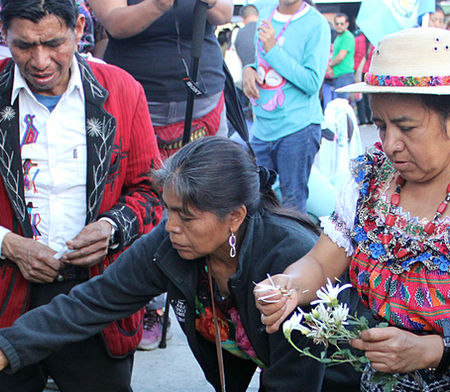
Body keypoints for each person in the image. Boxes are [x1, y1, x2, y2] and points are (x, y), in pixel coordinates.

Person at [0, 138, 365, 392]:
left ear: (235, 217)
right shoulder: (172, 246)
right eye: (170, 210)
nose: (171, 226)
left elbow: (293, 389)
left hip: (348, 386)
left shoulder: (287, 258)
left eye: (187, 217)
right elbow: (93, 302)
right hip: (287, 387)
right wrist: (9, 346)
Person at [254, 27, 450, 392]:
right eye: (382, 123)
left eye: (407, 127)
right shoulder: (370, 180)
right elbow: (323, 260)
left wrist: (435, 351)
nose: (389, 142)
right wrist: (289, 286)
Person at [0, 0, 162, 392]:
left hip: (90, 292)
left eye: (53, 43)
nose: (40, 61)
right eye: (23, 46)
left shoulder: (120, 90)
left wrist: (112, 228)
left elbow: (153, 193)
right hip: (9, 288)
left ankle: (71, 385)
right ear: (4, 34)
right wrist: (8, 243)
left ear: (79, 29)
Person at [89, 0, 233, 349]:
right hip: (138, 97)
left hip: (203, 96)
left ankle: (215, 301)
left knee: (208, 202)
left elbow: (224, 14)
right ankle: (148, 305)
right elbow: (114, 22)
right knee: (144, 202)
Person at [242, 0, 330, 212]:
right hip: (262, 129)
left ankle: (294, 246)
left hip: (298, 128)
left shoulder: (316, 24)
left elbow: (312, 83)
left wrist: (273, 50)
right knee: (256, 203)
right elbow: (261, 62)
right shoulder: (265, 13)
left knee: (292, 205)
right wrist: (249, 69)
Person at [329, 13, 354, 100]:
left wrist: (330, 66)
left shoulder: (347, 37)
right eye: (337, 24)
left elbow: (340, 56)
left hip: (345, 75)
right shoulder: (338, 37)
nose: (339, 26)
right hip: (338, 75)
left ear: (347, 24)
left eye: (342, 24)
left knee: (342, 104)